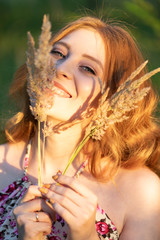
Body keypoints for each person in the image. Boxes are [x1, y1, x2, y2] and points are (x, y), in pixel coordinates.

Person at [0, 16, 160, 240]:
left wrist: (87, 237)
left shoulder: (141, 193)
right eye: (57, 53)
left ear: (114, 99)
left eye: (88, 68)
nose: (60, 68)